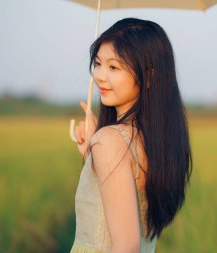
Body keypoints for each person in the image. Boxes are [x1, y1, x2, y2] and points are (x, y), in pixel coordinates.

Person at [70, 17, 192, 253]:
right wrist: (91, 154)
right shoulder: (155, 141)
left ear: (149, 76)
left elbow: (126, 246)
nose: (99, 76)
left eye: (113, 67)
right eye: (97, 63)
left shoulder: (110, 142)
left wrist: (102, 143)